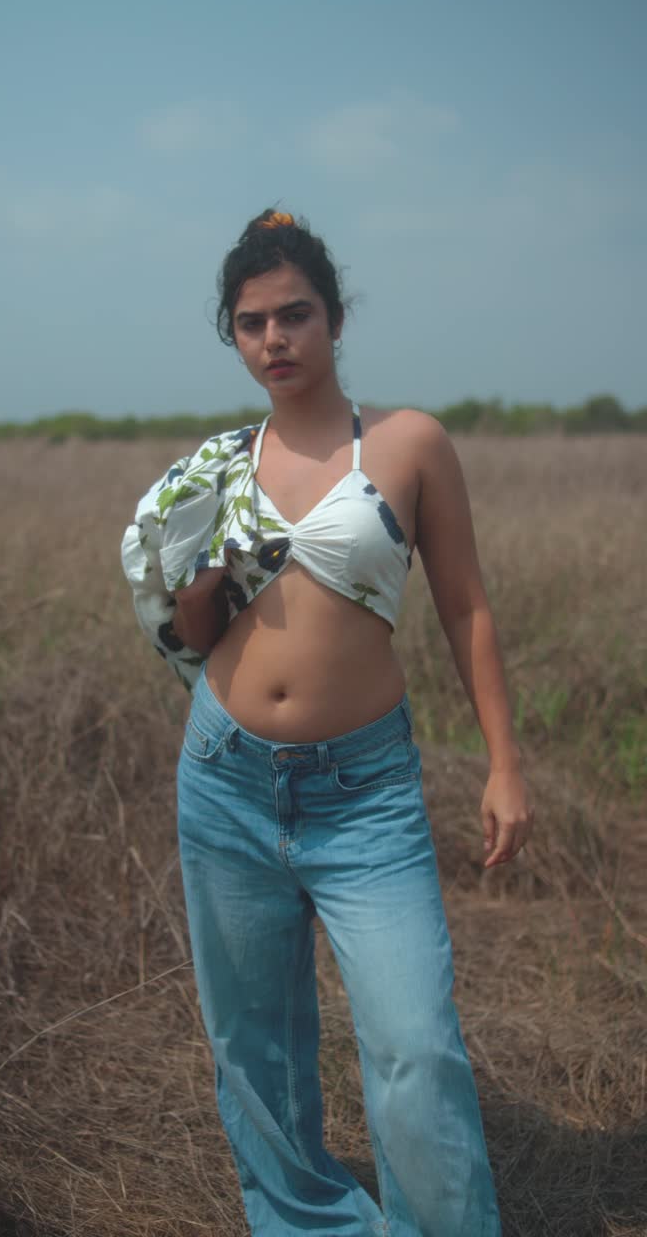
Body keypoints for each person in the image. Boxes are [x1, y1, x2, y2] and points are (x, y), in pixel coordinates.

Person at [121, 209, 532, 1236]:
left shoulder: (407, 443)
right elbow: (189, 625)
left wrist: (503, 764)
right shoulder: (217, 468)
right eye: (252, 322)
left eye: (295, 313)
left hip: (366, 794)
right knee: (254, 1046)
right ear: (236, 335)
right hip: (225, 775)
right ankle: (309, 1221)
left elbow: (465, 604)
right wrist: (199, 581)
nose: (275, 339)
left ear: (335, 317)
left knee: (414, 1040)